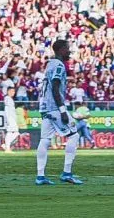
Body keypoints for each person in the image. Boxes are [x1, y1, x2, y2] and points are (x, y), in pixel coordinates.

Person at [35, 39, 83, 185]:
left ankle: (40, 176)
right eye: (67, 49)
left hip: (45, 107)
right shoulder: (59, 66)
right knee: (74, 135)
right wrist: (62, 110)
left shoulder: (49, 65)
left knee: (45, 140)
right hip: (55, 107)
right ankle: (67, 173)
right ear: (61, 50)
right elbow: (55, 87)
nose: (69, 51)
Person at [2, 86, 27, 152]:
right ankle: (7, 148)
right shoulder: (7, 98)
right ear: (8, 91)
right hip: (10, 119)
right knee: (10, 132)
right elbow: (7, 109)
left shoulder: (10, 99)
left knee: (16, 133)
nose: (13, 92)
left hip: (12, 118)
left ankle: (6, 145)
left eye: (14, 91)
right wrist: (8, 119)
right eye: (12, 91)